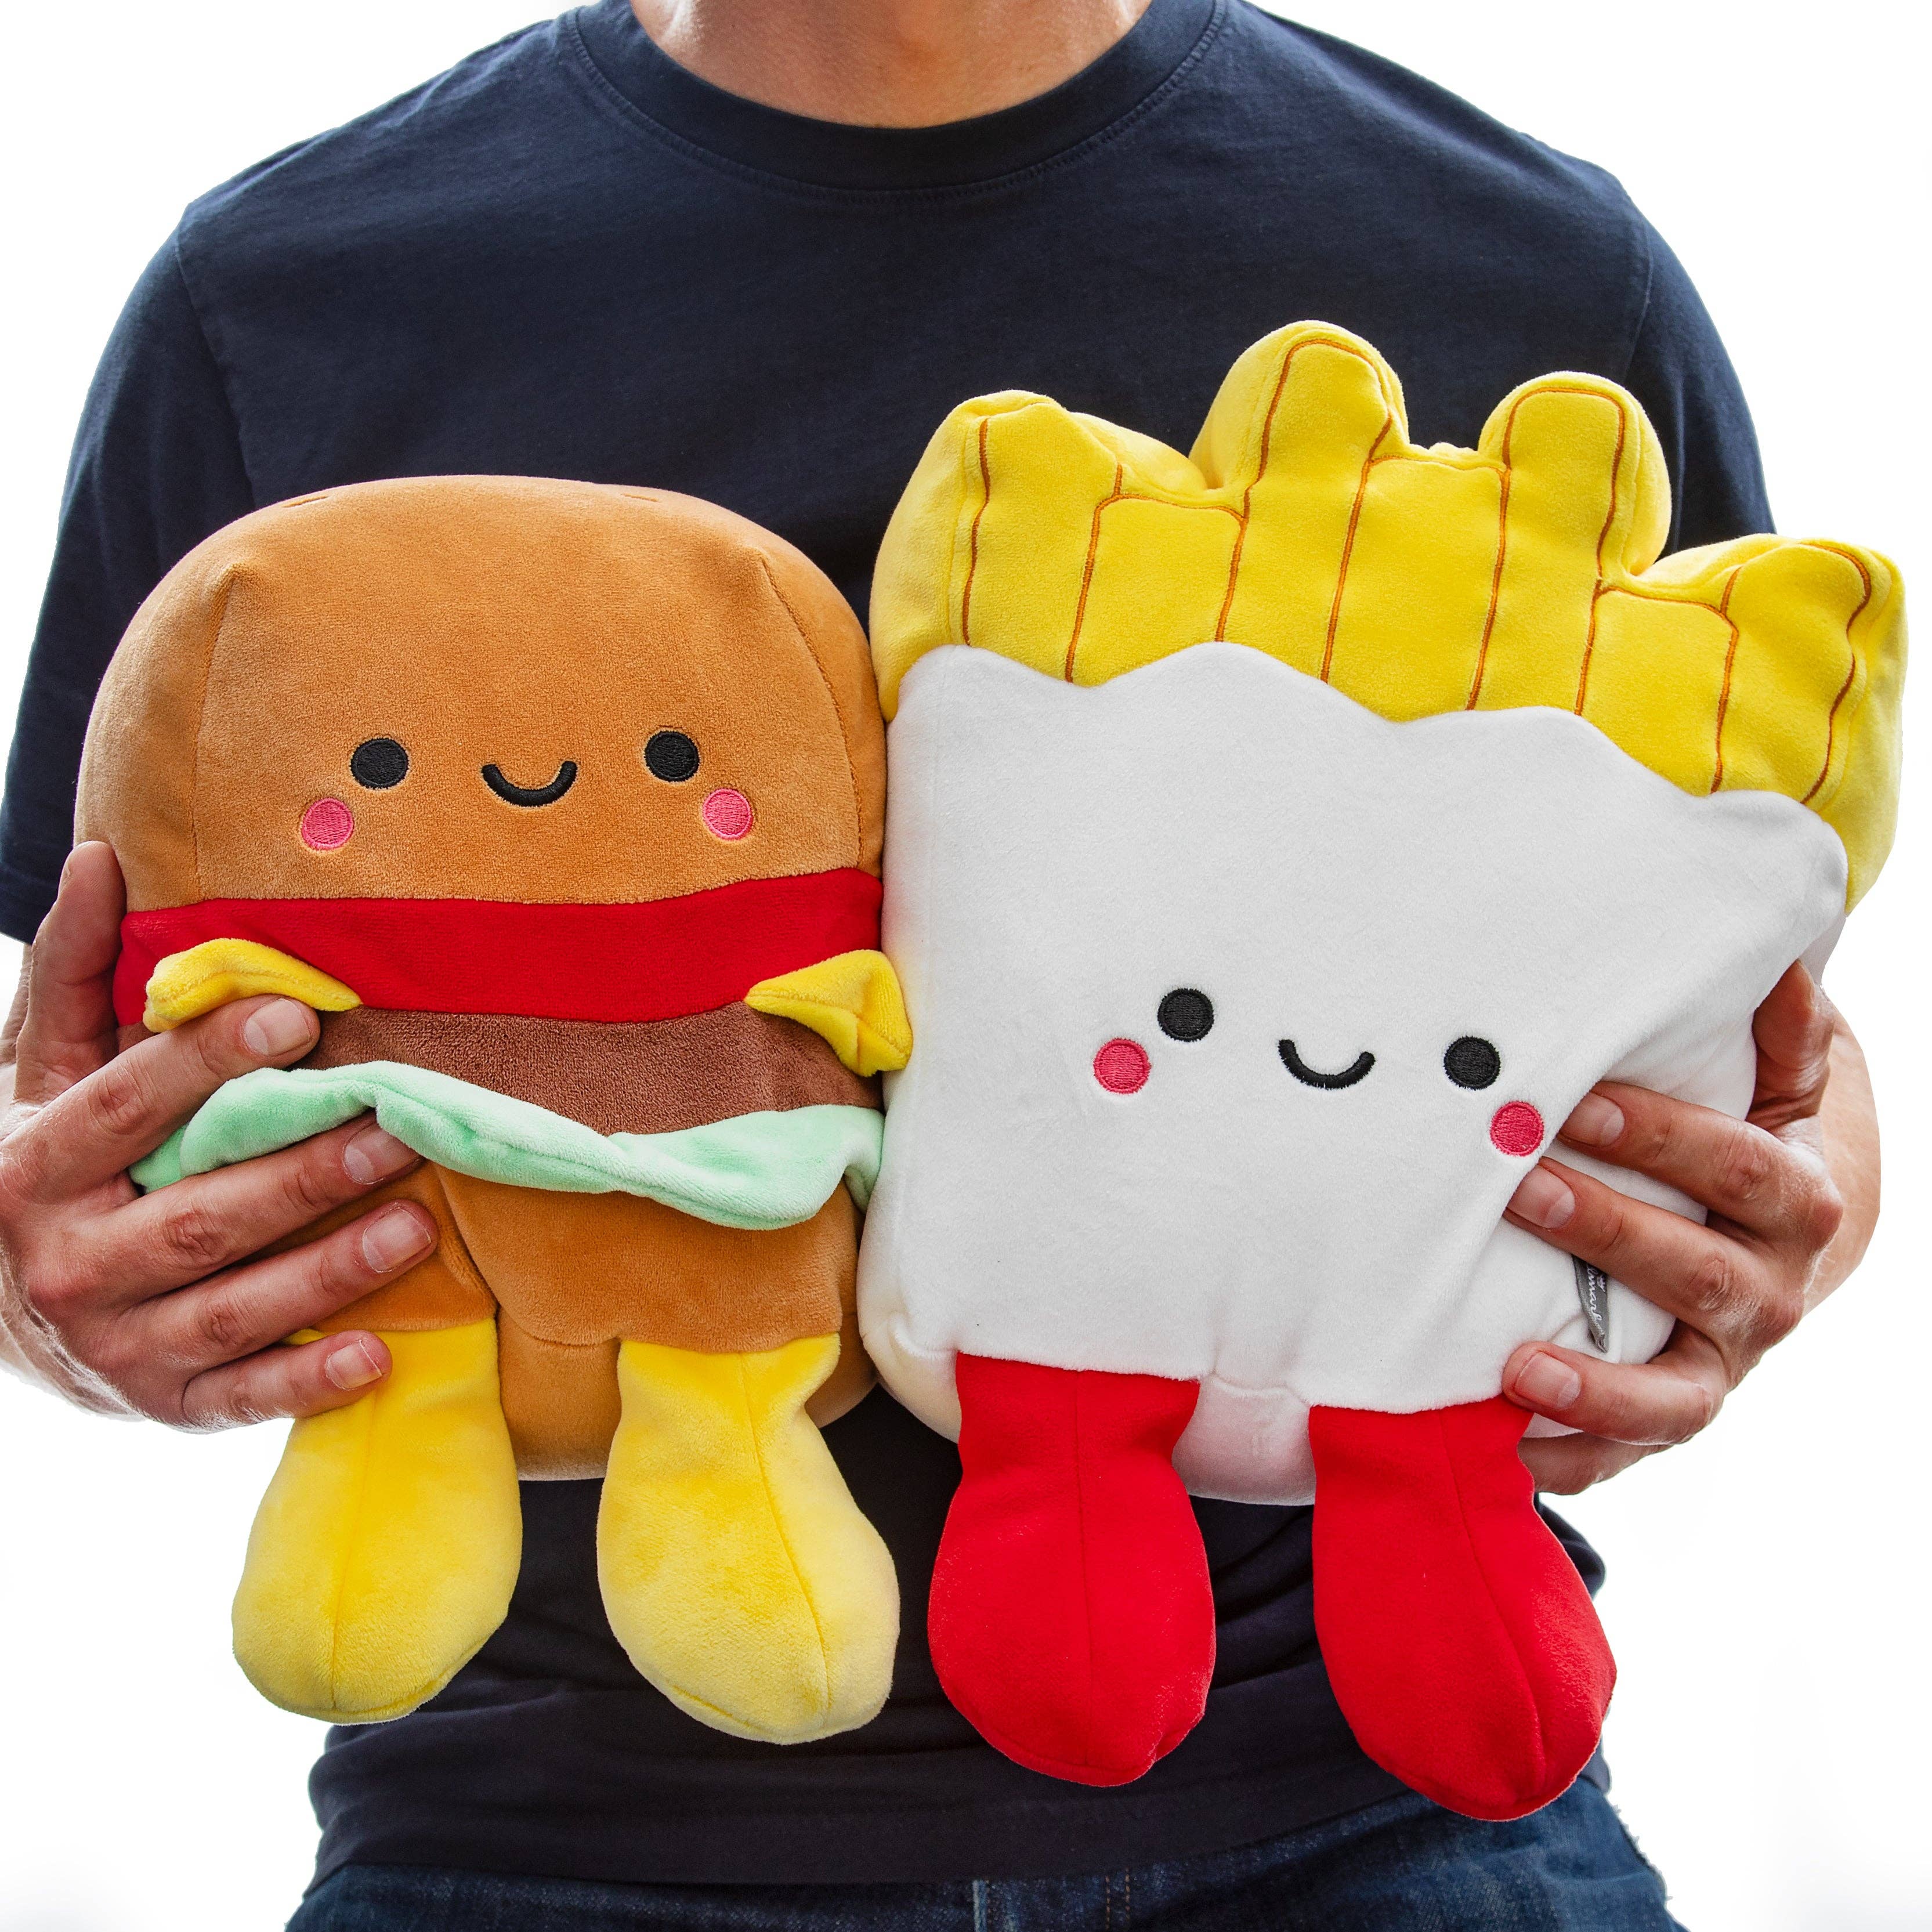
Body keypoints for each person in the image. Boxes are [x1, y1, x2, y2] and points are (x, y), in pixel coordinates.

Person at [0, 1, 1873, 1925]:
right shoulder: (279, 298)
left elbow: (1769, 1026)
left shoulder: (1528, 264)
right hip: (530, 1818)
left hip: (1381, 1791)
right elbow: (61, 1059)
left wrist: (1760, 1248)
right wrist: (48, 1295)